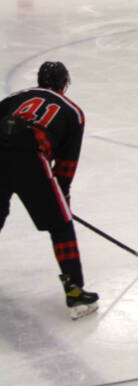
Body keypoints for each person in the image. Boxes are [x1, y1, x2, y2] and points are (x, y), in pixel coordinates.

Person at [0, 61, 98, 318]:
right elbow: (65, 167)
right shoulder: (72, 111)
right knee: (60, 225)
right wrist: (61, 203)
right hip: (30, 156)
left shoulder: (16, 97)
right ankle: (75, 291)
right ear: (64, 84)